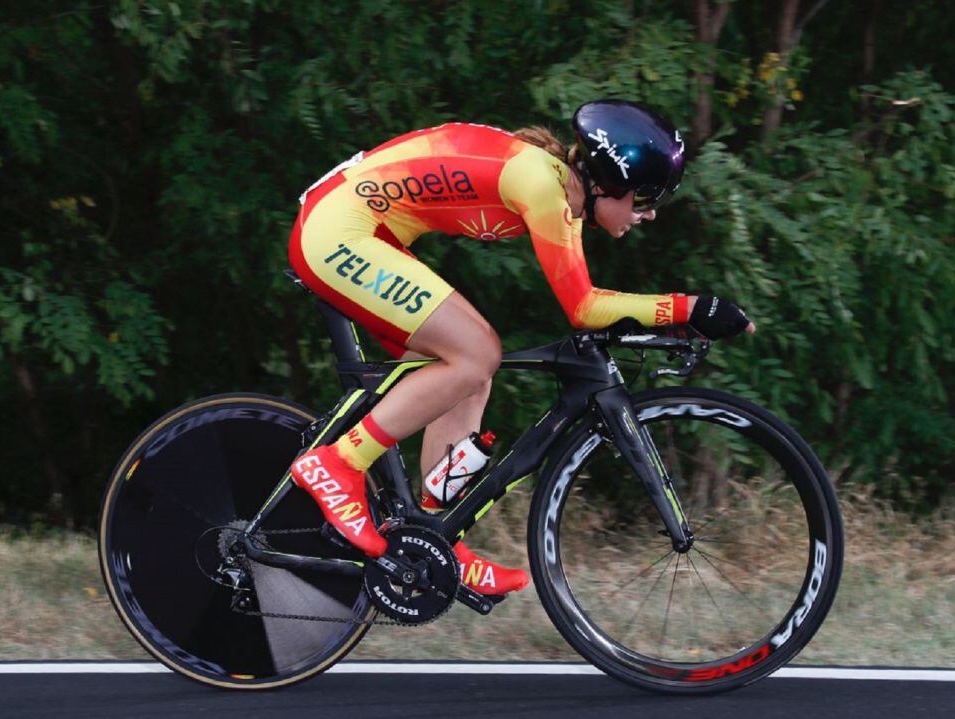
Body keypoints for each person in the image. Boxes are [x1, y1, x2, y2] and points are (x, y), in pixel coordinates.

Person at [287, 100, 754, 597]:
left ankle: (436, 536)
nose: (650, 213)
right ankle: (339, 463)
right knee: (477, 352)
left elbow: (591, 304)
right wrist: (692, 309)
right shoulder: (543, 186)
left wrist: (677, 318)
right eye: (644, 199)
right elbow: (585, 308)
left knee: (469, 374)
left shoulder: (561, 190)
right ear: (608, 183)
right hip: (338, 233)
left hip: (365, 230)